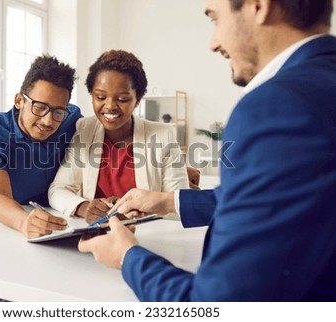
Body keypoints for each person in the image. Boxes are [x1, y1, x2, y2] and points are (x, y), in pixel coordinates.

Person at [79, 0, 336, 301]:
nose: (214, 43)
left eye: (215, 19)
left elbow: (215, 305)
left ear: (258, 6)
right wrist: (167, 202)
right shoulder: (323, 82)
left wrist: (127, 257)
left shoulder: (277, 106)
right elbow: (284, 200)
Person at [48, 50, 189, 222]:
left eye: (122, 99)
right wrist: (85, 207)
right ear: (92, 96)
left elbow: (180, 206)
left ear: (137, 100)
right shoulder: (85, 129)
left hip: (146, 237)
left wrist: (141, 212)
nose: (110, 106)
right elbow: (58, 190)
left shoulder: (163, 135)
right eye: (100, 97)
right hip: (96, 237)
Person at [0, 55, 82, 238]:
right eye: (39, 107)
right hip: (16, 218)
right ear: (19, 101)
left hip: (65, 215)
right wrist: (25, 222)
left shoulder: (72, 118)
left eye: (58, 111)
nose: (48, 121)